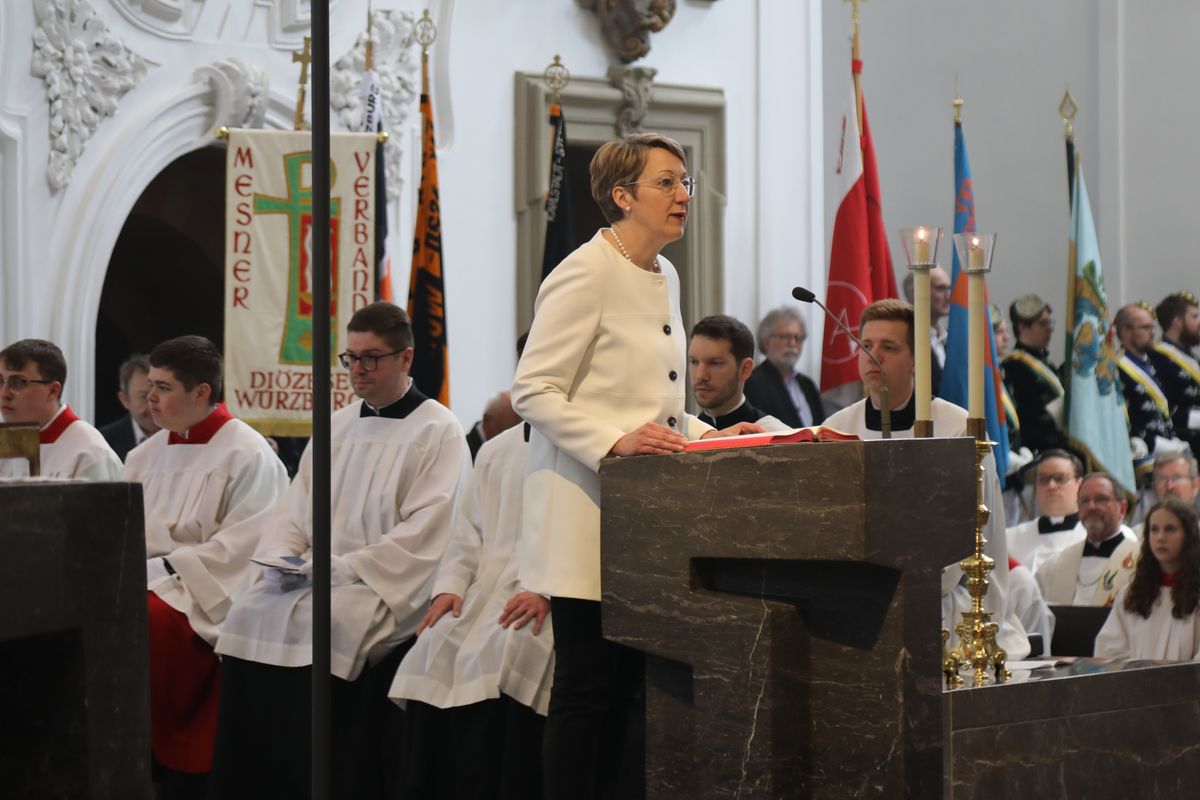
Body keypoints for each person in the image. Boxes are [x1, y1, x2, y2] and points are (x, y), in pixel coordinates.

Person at [512, 133, 760, 800]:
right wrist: (616, 441)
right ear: (623, 197)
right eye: (668, 183)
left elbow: (654, 402)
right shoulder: (584, 271)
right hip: (586, 511)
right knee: (587, 690)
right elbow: (532, 391)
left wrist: (719, 436)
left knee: (632, 695)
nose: (685, 195)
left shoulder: (663, 274)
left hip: (644, 517)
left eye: (685, 181)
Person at [211, 303, 469, 800]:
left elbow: (429, 531)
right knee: (245, 614)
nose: (357, 371)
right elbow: (294, 510)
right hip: (314, 576)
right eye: (349, 358)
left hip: (384, 583)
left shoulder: (438, 430)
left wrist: (344, 568)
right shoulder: (336, 425)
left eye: (371, 358)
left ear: (406, 358)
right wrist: (283, 561)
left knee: (333, 627)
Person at [121, 335, 288, 792]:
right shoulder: (143, 456)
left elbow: (246, 547)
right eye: (150, 386)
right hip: (144, 579)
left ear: (201, 393)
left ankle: (160, 759)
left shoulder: (247, 453)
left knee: (148, 622)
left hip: (202, 591)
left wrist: (161, 571)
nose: (151, 399)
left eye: (164, 388)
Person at [822, 299, 1029, 661]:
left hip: (944, 605)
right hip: (857, 602)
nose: (873, 357)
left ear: (916, 359)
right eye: (866, 345)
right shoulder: (837, 428)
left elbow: (977, 532)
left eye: (889, 347)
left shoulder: (956, 426)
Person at [389, 420, 553, 800]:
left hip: (544, 592)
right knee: (430, 647)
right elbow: (467, 534)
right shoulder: (496, 450)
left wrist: (547, 590)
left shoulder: (579, 444)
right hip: (485, 588)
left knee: (511, 649)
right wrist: (449, 588)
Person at [0, 338, 121, 480]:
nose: (4, 394)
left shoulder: (89, 452)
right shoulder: (5, 442)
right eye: (0, 381)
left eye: (18, 382)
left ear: (53, 391)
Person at [1094, 499, 1200, 660]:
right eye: (1154, 529)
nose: (1160, 537)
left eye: (1170, 529)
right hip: (1136, 683)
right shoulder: (1132, 594)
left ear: (1189, 535)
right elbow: (1110, 651)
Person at [1035, 472, 1139, 606]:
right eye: (1084, 501)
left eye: (1101, 499)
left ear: (1122, 509)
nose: (1091, 507)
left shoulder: (1141, 562)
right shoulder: (1055, 565)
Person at [1115, 303, 1186, 484]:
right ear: (1126, 331)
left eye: (1153, 327)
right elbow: (1125, 424)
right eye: (1146, 327)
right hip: (1141, 459)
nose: (1153, 333)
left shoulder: (1153, 365)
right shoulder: (1117, 369)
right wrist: (1163, 446)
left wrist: (1174, 442)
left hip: (1167, 457)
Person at [688, 314, 788, 430]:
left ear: (745, 369)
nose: (701, 376)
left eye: (715, 363)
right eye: (694, 362)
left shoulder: (775, 435)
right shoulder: (681, 435)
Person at [1002, 294, 1066, 455]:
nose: (1050, 328)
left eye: (1050, 322)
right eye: (1043, 323)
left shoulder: (1046, 361)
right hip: (1037, 448)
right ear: (1023, 327)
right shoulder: (1013, 367)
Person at [743, 306, 826, 429]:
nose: (792, 343)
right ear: (766, 342)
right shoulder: (753, 383)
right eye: (785, 337)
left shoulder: (808, 385)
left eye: (798, 338)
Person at [1006, 449, 1086, 573]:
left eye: (1060, 478)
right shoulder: (1009, 539)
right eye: (1043, 479)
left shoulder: (1096, 538)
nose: (1051, 485)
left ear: (1080, 484)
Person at [1149, 292, 1200, 455]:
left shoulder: (1191, 356)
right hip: (1184, 440)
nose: (1199, 322)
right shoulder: (1157, 358)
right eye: (1195, 317)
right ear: (1178, 321)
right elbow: (1165, 407)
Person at [98, 353, 160, 460]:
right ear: (125, 400)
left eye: (160, 393)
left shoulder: (186, 436)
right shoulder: (103, 443)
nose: (153, 405)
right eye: (144, 396)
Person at [1131, 452, 1200, 526]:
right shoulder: (1138, 534)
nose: (1169, 486)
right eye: (1162, 479)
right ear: (1154, 487)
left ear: (1195, 485)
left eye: (1176, 478)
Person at [466, 391, 522, 461]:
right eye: (504, 431)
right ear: (487, 419)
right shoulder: (465, 452)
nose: (511, 437)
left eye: (516, 430)